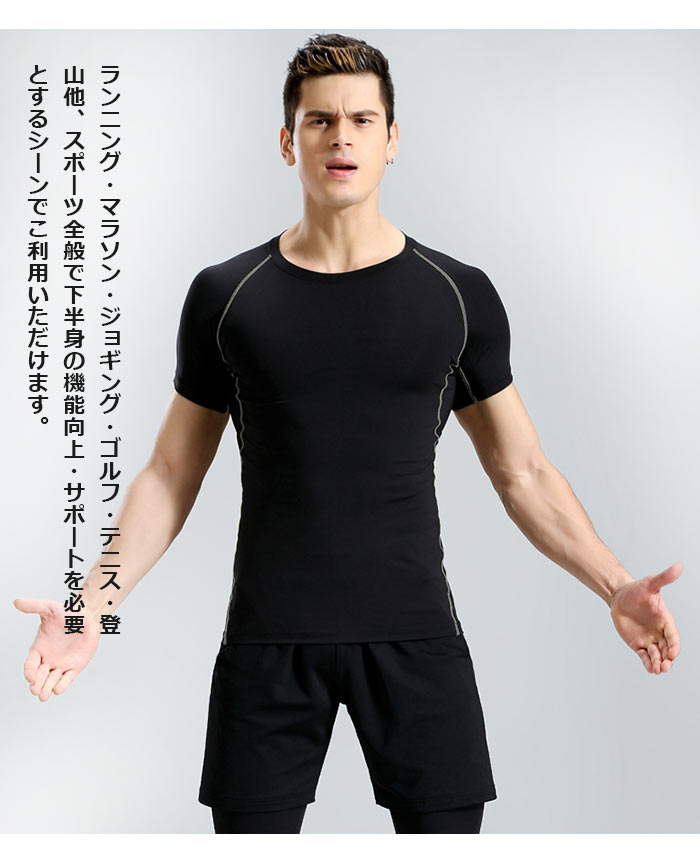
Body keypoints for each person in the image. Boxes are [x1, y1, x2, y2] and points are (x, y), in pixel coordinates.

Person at [15, 33, 682, 835]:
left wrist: (615, 584)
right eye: (321, 120)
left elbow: (524, 472)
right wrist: (88, 608)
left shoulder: (456, 294)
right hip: (268, 643)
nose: (342, 137)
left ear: (392, 139)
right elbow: (169, 474)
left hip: (416, 637)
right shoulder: (227, 296)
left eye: (362, 120)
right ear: (288, 139)